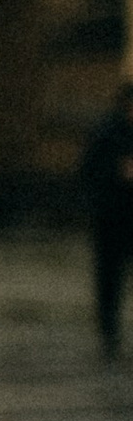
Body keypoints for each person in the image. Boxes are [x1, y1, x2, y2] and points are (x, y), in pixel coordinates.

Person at [80, 79, 133, 359]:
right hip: (110, 218)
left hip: (127, 217)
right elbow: (88, 173)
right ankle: (108, 332)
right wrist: (118, 173)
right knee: (109, 278)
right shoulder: (106, 133)